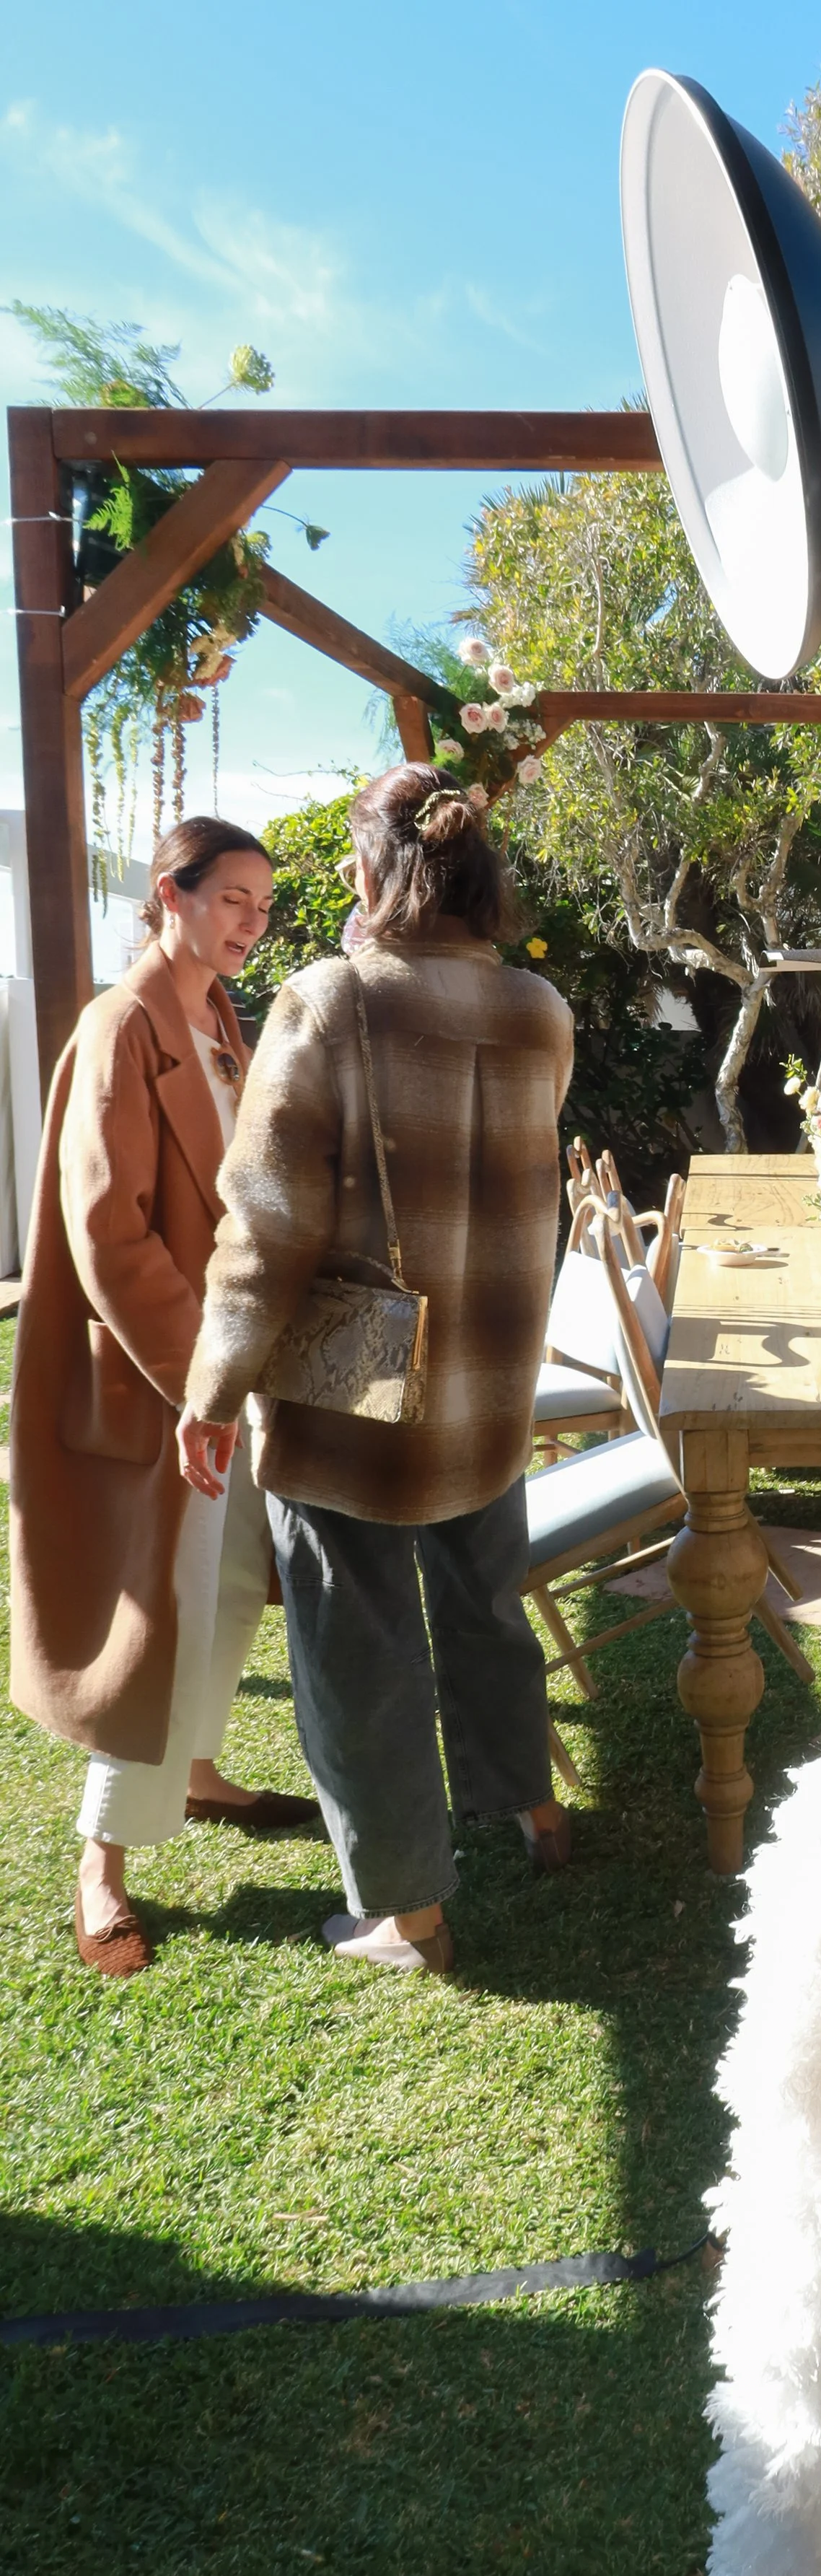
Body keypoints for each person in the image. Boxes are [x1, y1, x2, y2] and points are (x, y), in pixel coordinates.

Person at [179, 765, 576, 1975]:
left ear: (375, 869)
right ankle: (533, 1806)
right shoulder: (540, 1010)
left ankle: (407, 1910)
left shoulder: (325, 1002)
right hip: (488, 1379)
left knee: (359, 1647)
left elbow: (264, 1228)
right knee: (484, 1600)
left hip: (352, 1394)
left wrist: (211, 1387)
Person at [9, 816, 317, 1980]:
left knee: (234, 1572)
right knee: (163, 1600)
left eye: (262, 902)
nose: (251, 920)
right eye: (232, 896)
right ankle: (101, 1865)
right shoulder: (118, 1026)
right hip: (161, 1376)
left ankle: (196, 1773)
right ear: (168, 894)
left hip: (230, 1369)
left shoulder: (225, 1024)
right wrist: (204, 1380)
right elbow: (107, 1233)